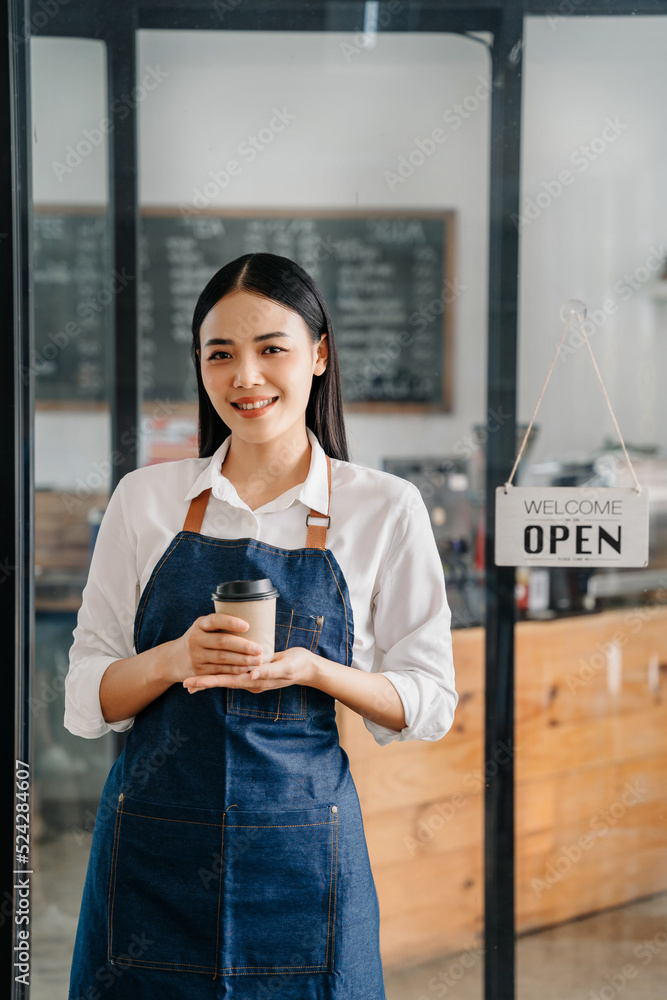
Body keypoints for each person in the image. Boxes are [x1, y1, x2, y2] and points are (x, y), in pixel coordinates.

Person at [65, 251, 458, 1000]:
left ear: (317, 355)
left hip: (303, 862)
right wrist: (176, 656)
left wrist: (312, 669)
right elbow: (88, 698)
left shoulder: (383, 507)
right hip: (151, 859)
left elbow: (428, 702)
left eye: (270, 349)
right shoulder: (144, 500)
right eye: (220, 354)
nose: (244, 377)